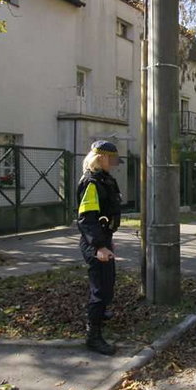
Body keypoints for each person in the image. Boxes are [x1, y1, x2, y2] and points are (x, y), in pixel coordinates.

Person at [77, 140, 123, 355]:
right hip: (95, 243)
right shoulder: (91, 183)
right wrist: (99, 247)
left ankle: (101, 313)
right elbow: (87, 218)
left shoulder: (104, 179)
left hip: (104, 239)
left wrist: (107, 241)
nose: (113, 164)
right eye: (111, 160)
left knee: (108, 282)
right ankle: (93, 336)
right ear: (101, 158)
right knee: (100, 289)